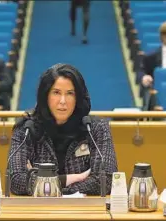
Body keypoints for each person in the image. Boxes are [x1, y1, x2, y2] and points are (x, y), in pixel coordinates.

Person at [8, 63, 118, 195]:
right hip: (38, 212)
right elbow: (15, 180)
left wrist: (49, 187)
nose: (62, 101)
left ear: (78, 97)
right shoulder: (26, 129)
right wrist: (69, 179)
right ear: (45, 95)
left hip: (84, 212)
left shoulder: (95, 128)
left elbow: (106, 180)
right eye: (56, 92)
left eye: (70, 93)